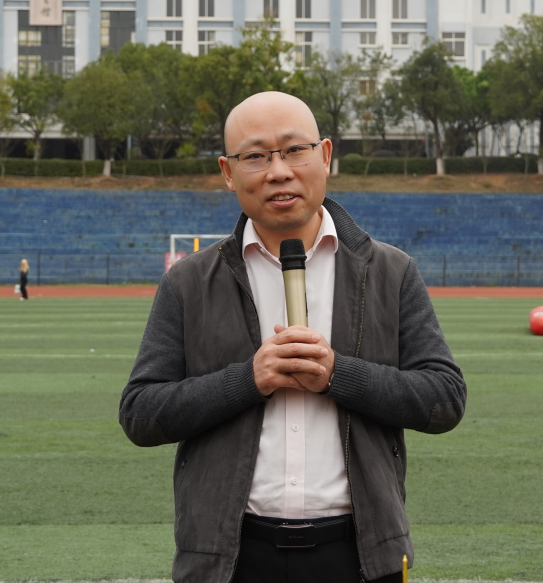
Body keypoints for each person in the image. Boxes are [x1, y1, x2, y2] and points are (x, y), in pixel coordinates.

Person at [119, 91, 467, 583]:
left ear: (325, 156)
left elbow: (444, 400)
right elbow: (140, 414)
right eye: (255, 156)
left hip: (360, 556)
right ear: (227, 172)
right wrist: (249, 380)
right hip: (229, 558)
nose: (278, 171)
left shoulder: (391, 271)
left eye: (294, 150)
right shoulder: (188, 282)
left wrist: (338, 374)